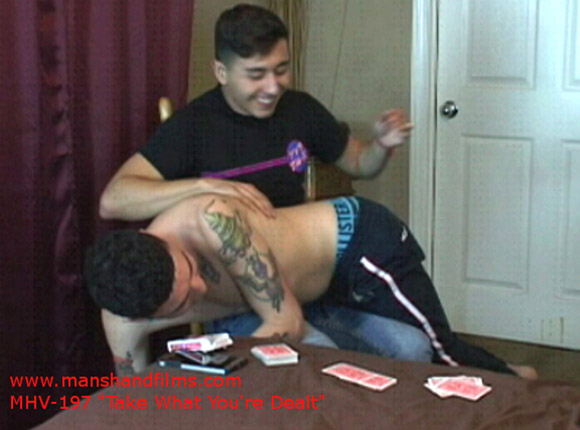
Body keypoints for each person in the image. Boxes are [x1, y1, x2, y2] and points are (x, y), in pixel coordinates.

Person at [85, 194, 537, 379]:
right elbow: (138, 400)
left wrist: (209, 363)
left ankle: (519, 381)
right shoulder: (122, 323)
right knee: (357, 364)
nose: (202, 286)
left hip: (355, 245)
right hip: (298, 296)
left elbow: (285, 320)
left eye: (191, 269)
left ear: (152, 237)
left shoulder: (213, 223)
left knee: (434, 349)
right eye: (186, 301)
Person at [98, 3, 412, 221]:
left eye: (281, 69)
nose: (274, 87)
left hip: (298, 252)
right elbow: (113, 201)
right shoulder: (194, 125)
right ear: (222, 72)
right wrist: (205, 187)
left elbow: (358, 163)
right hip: (228, 274)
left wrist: (381, 145)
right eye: (256, 74)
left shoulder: (301, 108)